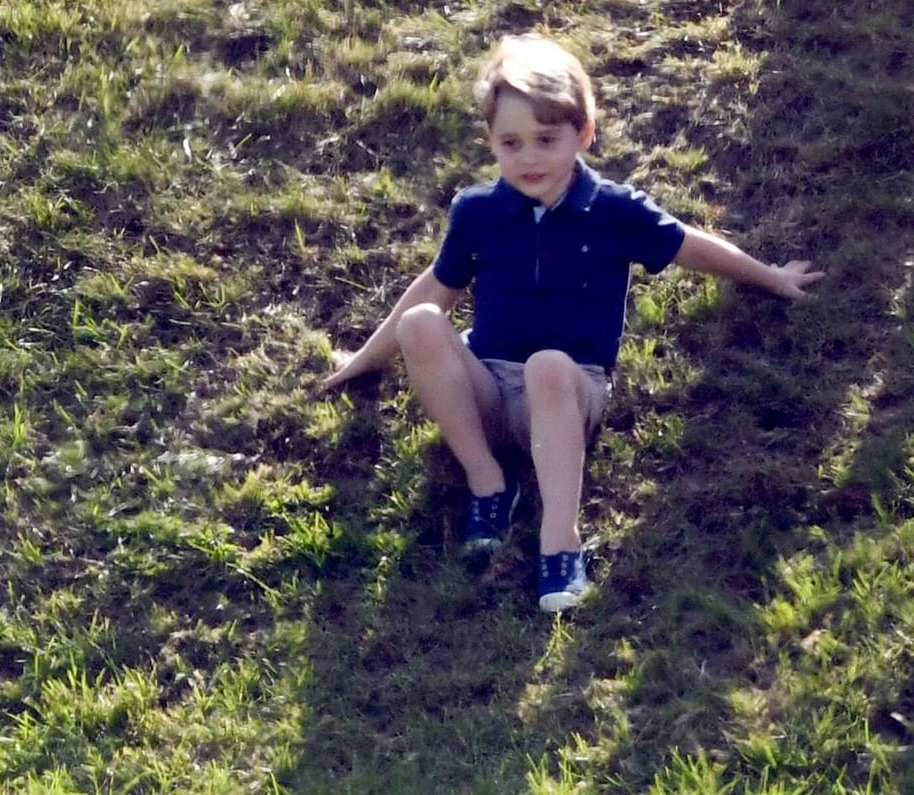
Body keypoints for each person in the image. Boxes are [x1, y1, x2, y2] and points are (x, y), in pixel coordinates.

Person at [320, 34, 822, 612]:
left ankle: (560, 545)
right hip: (487, 386)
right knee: (422, 324)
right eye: (511, 142)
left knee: (548, 364)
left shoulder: (613, 210)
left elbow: (691, 246)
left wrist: (772, 277)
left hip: (565, 393)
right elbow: (434, 287)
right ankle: (488, 484)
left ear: (583, 134)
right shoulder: (478, 211)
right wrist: (362, 362)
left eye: (546, 139)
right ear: (490, 141)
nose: (529, 157)